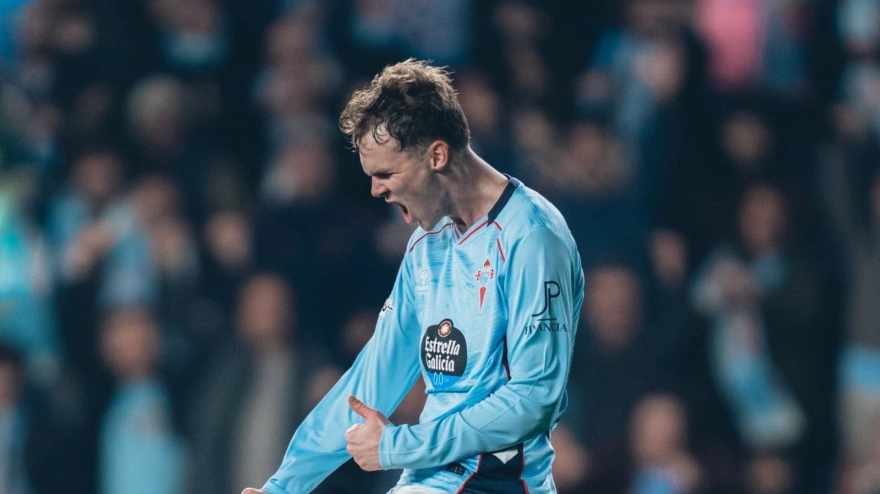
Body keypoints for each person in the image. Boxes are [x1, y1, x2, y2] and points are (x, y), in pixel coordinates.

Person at [242, 59, 584, 494]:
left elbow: (535, 398)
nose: (375, 190)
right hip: (430, 478)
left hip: (493, 483)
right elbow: (370, 383)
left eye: (386, 173)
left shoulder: (532, 236)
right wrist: (283, 487)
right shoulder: (426, 245)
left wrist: (400, 445)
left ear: (437, 155)